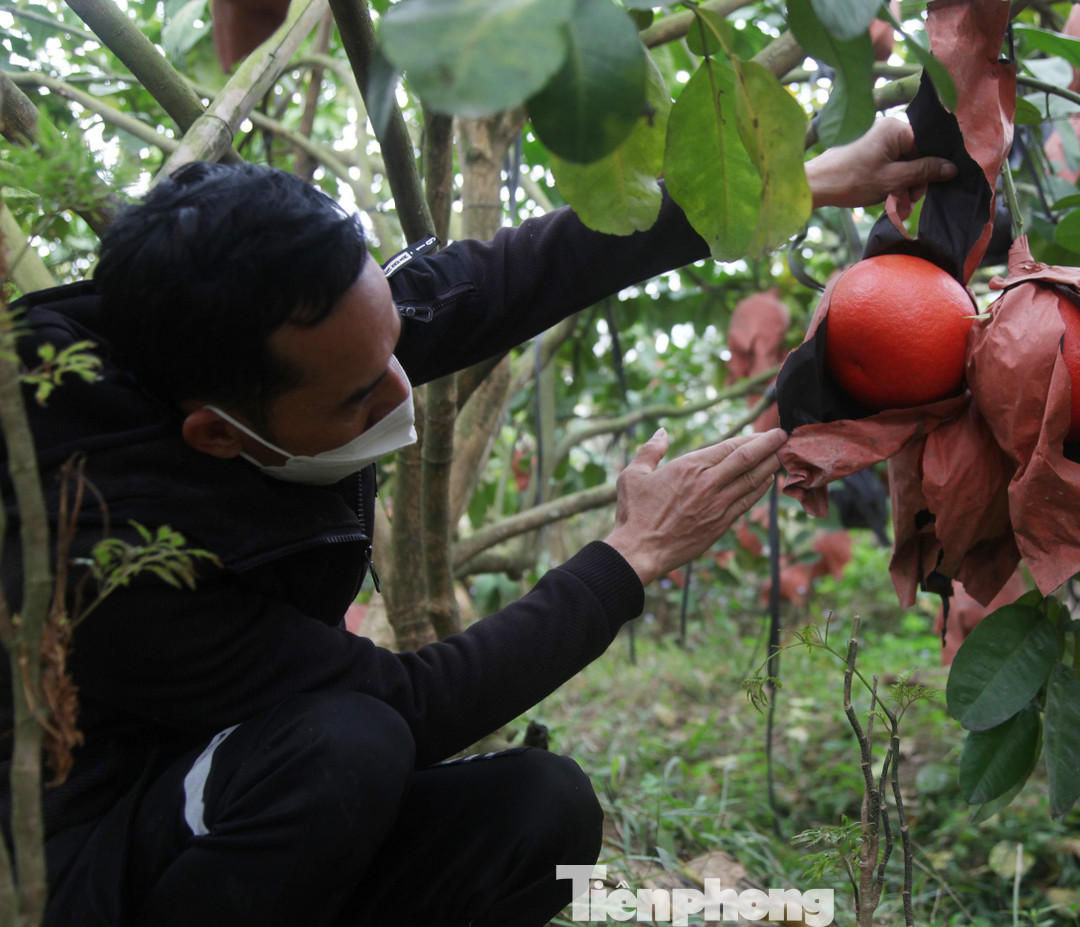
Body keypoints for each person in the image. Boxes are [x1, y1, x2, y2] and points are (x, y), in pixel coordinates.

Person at [0, 117, 957, 926]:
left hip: (241, 793)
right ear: (215, 433)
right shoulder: (99, 546)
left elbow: (513, 277)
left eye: (394, 349)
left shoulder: (287, 320)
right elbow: (405, 709)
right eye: (355, 397)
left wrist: (796, 184)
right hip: (101, 855)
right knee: (349, 748)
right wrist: (631, 556)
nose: (399, 385)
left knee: (539, 811)